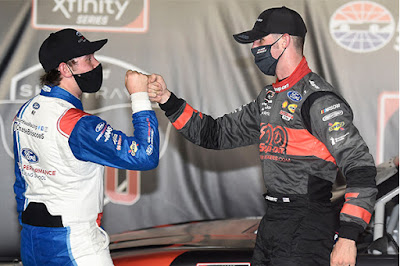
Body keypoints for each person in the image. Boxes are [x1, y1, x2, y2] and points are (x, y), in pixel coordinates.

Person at [147, 6, 377, 266]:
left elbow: (361, 167)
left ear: (284, 41)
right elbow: (215, 134)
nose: (254, 47)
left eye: (260, 40)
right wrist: (167, 100)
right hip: (273, 221)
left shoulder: (319, 99)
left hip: (308, 223)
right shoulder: (269, 98)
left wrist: (348, 237)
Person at [12, 28, 159, 265]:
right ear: (64, 69)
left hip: (32, 239)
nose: (97, 63)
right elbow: (145, 156)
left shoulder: (26, 111)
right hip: (75, 243)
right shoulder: (77, 124)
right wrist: (140, 96)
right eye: (88, 59)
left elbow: (22, 182)